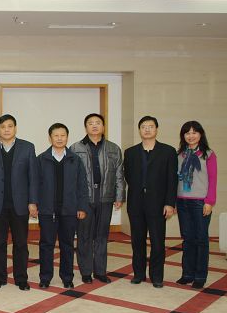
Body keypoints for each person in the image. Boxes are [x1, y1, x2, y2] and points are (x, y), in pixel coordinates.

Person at [0, 114, 38, 291]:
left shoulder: (27, 147)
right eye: (3, 126)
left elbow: (33, 177)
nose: (6, 129)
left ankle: (21, 278)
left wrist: (32, 201)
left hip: (20, 204)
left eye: (10, 126)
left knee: (20, 243)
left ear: (15, 128)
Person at [70, 113, 125, 284]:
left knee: (102, 236)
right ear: (85, 127)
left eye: (98, 123)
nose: (94, 126)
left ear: (103, 126)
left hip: (105, 197)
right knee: (84, 236)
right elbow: (71, 177)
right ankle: (86, 272)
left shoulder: (113, 148)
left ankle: (100, 271)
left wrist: (119, 195)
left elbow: (119, 174)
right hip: (84, 199)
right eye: (90, 123)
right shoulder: (75, 148)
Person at [124, 116, 177, 288]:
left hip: (158, 204)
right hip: (136, 203)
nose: (147, 129)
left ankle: (157, 276)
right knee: (137, 241)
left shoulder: (168, 151)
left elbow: (172, 180)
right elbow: (128, 176)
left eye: (151, 126)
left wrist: (169, 203)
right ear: (139, 130)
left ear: (156, 129)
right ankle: (139, 274)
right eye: (143, 127)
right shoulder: (130, 152)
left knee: (157, 241)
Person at [37, 123, 88, 289]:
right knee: (46, 245)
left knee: (67, 245)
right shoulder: (41, 159)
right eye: (56, 135)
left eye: (63, 135)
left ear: (67, 137)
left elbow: (82, 185)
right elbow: (35, 184)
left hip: (69, 210)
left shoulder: (75, 160)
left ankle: (67, 277)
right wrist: (34, 204)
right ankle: (45, 277)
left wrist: (82, 207)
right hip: (47, 210)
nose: (59, 138)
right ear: (50, 138)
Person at [175, 121, 217, 289]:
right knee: (187, 239)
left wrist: (209, 201)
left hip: (200, 202)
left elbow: (213, 179)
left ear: (200, 134)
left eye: (194, 132)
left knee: (201, 239)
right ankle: (187, 274)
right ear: (183, 136)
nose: (191, 136)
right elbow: (174, 179)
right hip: (182, 201)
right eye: (187, 133)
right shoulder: (179, 154)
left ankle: (200, 276)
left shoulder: (208, 154)